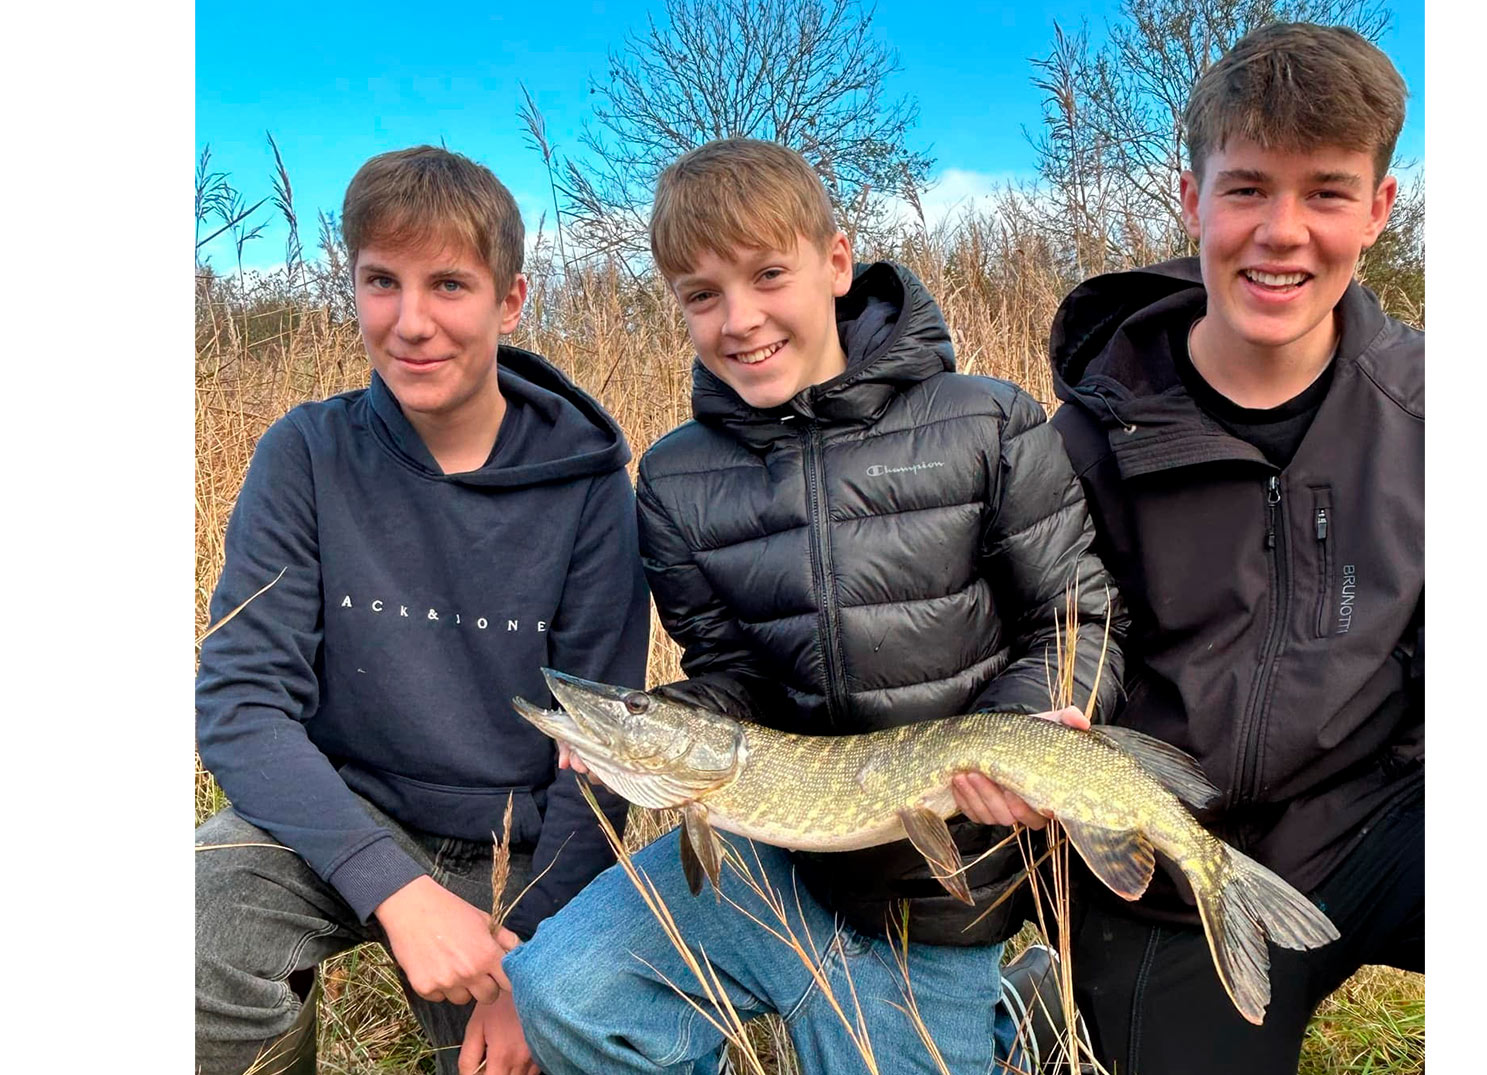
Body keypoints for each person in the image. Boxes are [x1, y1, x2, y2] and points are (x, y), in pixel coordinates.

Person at [503, 137, 1125, 1075]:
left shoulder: (986, 420)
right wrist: (657, 727)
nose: (739, 318)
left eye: (767, 275)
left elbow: (1078, 621)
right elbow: (733, 675)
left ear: (836, 263)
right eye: (701, 295)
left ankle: (1012, 1004)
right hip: (778, 852)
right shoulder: (674, 480)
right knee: (559, 993)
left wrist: (1006, 738)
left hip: (940, 888)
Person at [194, 145, 649, 1075]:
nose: (411, 322)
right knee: (182, 929)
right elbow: (241, 706)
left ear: (510, 300)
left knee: (555, 1040)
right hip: (333, 820)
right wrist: (396, 890)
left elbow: (599, 760)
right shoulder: (306, 455)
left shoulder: (593, 489)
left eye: (448, 284)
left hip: (516, 857)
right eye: (380, 282)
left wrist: (542, 963)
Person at [1044, 22, 1423, 1074]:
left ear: (1380, 211)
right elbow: (1061, 637)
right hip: (1170, 868)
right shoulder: (1083, 439)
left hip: (1376, 822)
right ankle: (1048, 1004)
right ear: (1192, 198)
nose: (1284, 232)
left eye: (1328, 192)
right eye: (1249, 189)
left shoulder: (1439, 417)